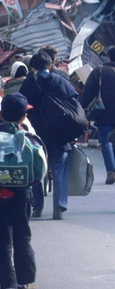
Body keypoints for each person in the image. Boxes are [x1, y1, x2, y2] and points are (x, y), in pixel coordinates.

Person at [20, 52, 80, 221]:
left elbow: (22, 106)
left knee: (37, 169)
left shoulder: (28, 83)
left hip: (35, 134)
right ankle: (59, 206)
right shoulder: (60, 81)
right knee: (60, 167)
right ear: (50, 65)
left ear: (32, 68)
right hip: (59, 133)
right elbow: (75, 103)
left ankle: (37, 206)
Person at [0, 93, 47, 289]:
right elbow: (40, 171)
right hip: (22, 193)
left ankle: (8, 287)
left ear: (1, 114)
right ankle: (24, 283)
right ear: (23, 116)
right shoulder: (30, 137)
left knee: (2, 240)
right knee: (22, 237)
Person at [79, 46, 115, 185]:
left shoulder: (99, 71)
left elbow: (87, 91)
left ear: (108, 57)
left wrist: (82, 107)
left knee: (105, 142)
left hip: (103, 113)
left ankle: (110, 170)